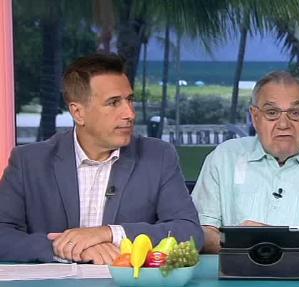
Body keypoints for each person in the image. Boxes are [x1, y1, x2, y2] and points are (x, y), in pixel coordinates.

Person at [0, 53, 203, 264]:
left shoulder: (158, 157)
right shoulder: (29, 162)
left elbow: (189, 232)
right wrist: (67, 248)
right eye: (114, 102)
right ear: (78, 113)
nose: (130, 114)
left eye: (130, 100)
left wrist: (109, 233)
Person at [192, 71, 299, 255]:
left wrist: (279, 242)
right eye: (272, 113)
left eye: (295, 113)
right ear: (255, 116)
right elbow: (199, 233)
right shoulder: (224, 157)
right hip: (235, 278)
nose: (283, 124)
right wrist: (252, 243)